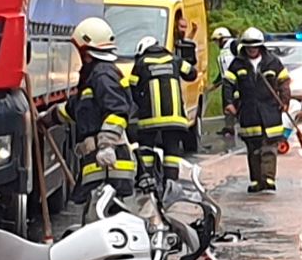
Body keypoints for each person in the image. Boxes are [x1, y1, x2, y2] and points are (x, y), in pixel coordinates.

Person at [44, 17, 135, 207]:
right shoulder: (93, 76)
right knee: (92, 212)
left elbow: (117, 112)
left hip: (109, 165)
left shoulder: (103, 75)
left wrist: (107, 145)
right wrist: (48, 118)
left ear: (85, 51)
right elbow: (77, 109)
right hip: (98, 164)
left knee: (103, 217)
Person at [223, 27, 290, 193]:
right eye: (249, 47)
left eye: (255, 46)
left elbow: (284, 82)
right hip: (248, 112)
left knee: (269, 146)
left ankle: (268, 179)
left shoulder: (272, 62)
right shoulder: (237, 64)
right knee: (253, 148)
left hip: (270, 111)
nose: (252, 50)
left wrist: (284, 100)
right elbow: (228, 85)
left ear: (260, 46)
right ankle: (256, 180)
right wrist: (228, 103)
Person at [129, 35, 199, 180]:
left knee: (146, 149)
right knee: (172, 153)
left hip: (149, 120)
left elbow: (132, 89)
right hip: (175, 118)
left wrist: (141, 104)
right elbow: (192, 74)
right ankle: (171, 182)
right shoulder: (174, 60)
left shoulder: (140, 64)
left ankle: (147, 179)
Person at [209, 27, 237, 136]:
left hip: (236, 82)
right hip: (226, 82)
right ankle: (229, 127)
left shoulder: (233, 45)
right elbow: (223, 71)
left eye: (217, 41)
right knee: (227, 104)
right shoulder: (223, 51)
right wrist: (214, 85)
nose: (216, 44)